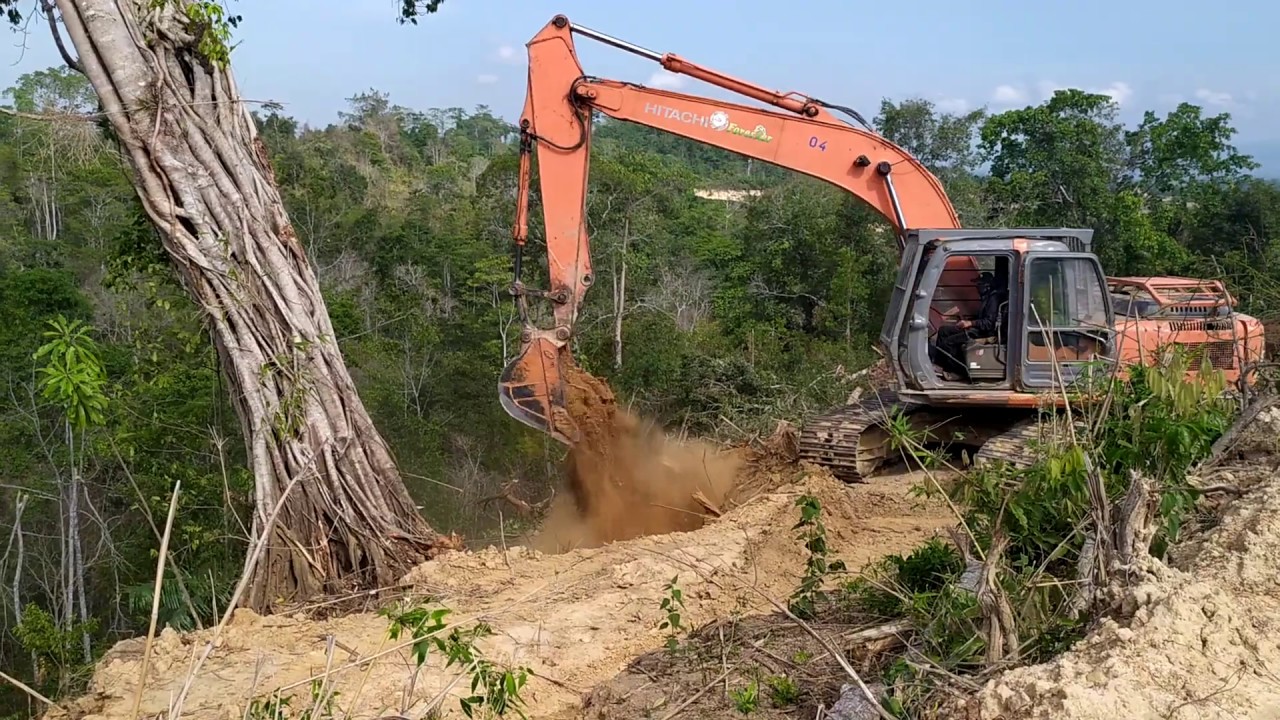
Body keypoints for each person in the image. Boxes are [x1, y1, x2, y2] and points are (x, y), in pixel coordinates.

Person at [931, 271, 1007, 380]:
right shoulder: (986, 298)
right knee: (943, 331)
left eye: (979, 285)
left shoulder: (993, 300)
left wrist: (970, 323)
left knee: (948, 342)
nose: (977, 287)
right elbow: (981, 318)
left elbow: (989, 324)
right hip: (978, 329)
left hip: (984, 333)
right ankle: (940, 365)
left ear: (987, 286)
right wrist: (968, 321)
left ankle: (959, 372)